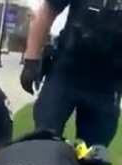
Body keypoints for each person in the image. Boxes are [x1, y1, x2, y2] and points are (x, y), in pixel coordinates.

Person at [20, 0, 122, 146]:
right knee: (44, 140)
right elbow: (47, 11)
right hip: (66, 73)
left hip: (107, 85)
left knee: (94, 154)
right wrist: (31, 61)